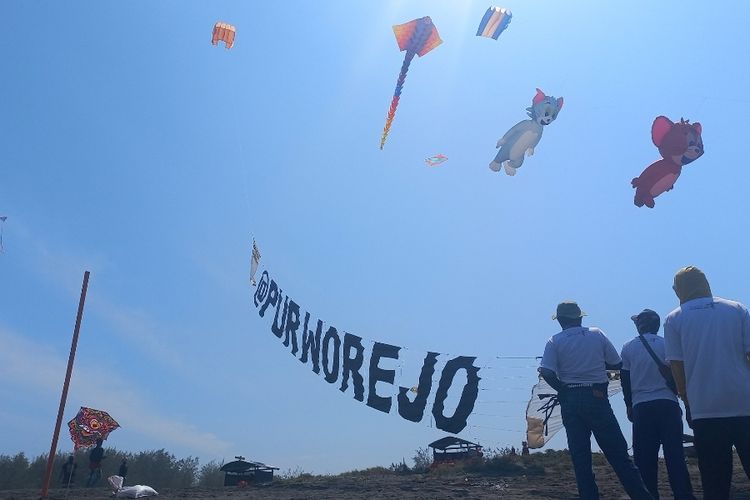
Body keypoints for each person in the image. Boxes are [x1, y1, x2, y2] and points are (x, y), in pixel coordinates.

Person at [540, 301, 653, 500]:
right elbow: (616, 363)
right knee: (619, 455)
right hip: (597, 396)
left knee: (581, 458)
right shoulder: (596, 334)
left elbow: (546, 371)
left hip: (571, 400)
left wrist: (562, 389)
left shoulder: (554, 341)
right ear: (580, 318)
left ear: (560, 321)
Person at [664, 266, 750, 499]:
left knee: (715, 481)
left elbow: (677, 366)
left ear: (679, 288)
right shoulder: (736, 309)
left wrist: (686, 398)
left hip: (705, 408)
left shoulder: (674, 318)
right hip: (744, 402)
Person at [621, 308, 695, 500]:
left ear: (640, 325)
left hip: (642, 406)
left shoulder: (628, 347)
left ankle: (649, 495)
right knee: (675, 454)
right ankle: (683, 495)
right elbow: (680, 373)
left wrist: (629, 404)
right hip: (668, 404)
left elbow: (625, 380)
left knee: (644, 458)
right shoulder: (667, 344)